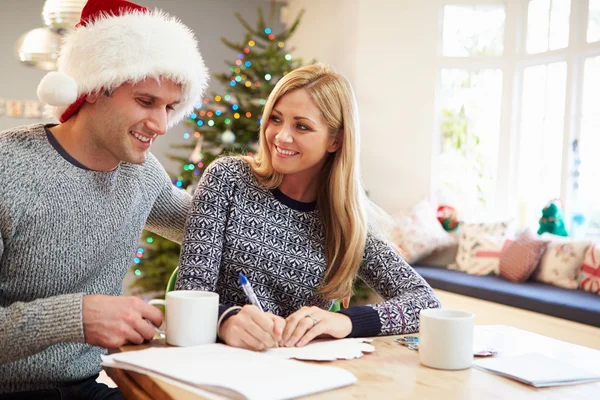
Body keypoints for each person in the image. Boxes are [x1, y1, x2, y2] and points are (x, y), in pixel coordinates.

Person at [0, 0, 208, 397]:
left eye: (170, 107)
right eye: (146, 102)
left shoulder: (142, 175)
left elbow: (210, 227)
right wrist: (76, 317)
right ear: (94, 89)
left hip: (85, 388)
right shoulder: (7, 169)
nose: (162, 125)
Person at [176, 64, 441, 351]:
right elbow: (191, 290)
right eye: (276, 119)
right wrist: (225, 320)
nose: (281, 136)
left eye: (301, 126)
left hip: (300, 374)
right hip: (215, 364)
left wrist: (345, 322)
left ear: (335, 140)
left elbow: (425, 303)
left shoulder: (347, 221)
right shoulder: (228, 178)